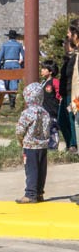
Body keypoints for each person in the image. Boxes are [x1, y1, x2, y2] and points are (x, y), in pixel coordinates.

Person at [14, 82, 51, 204]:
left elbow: (20, 130)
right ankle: (39, 192)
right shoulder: (45, 113)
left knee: (31, 170)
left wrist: (20, 139)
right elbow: (47, 130)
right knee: (41, 170)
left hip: (30, 146)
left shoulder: (27, 113)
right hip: (43, 146)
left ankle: (30, 194)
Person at [59, 23, 79, 155]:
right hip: (66, 93)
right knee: (63, 119)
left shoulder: (75, 58)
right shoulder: (69, 59)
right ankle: (70, 143)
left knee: (73, 120)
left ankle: (73, 145)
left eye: (69, 33)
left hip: (73, 93)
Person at [0, 30, 24, 109]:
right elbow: (24, 56)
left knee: (7, 83)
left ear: (8, 37)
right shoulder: (19, 45)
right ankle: (12, 101)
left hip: (7, 65)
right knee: (14, 83)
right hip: (16, 65)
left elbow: (0, 56)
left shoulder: (5, 45)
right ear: (16, 37)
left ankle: (10, 100)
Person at [40, 59, 60, 151]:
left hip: (52, 111)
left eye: (44, 69)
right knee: (45, 129)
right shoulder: (43, 83)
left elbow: (59, 94)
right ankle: (46, 146)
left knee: (53, 128)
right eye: (42, 68)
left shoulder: (54, 81)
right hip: (44, 111)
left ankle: (53, 147)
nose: (42, 70)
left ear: (50, 71)